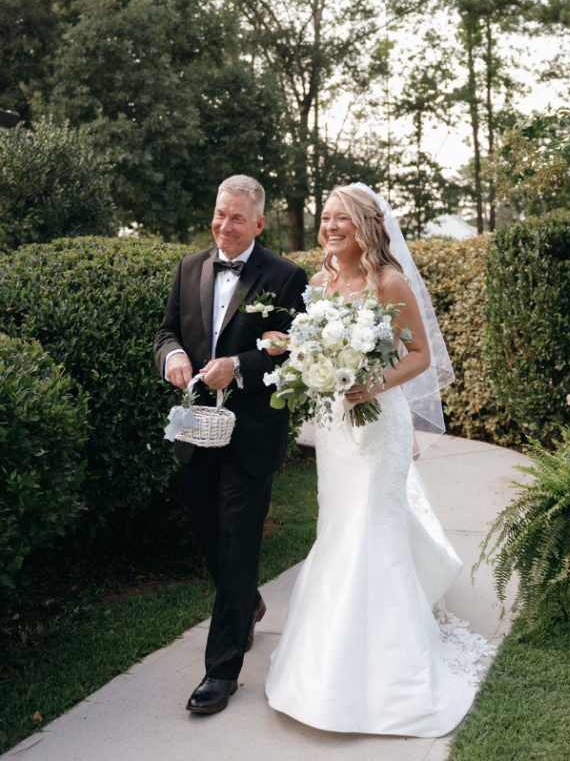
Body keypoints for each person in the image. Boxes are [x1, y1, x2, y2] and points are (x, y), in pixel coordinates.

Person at [261, 183, 492, 737]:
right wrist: (290, 350)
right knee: (339, 528)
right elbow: (316, 348)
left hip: (377, 423)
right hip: (336, 431)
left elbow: (420, 356)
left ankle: (391, 677)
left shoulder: (388, 281)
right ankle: (324, 665)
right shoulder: (319, 283)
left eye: (342, 218)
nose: (331, 226)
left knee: (370, 530)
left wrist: (372, 381)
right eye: (325, 217)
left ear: (366, 223)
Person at [154, 175, 308, 716]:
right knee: (211, 538)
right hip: (196, 432)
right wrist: (171, 356)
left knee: (239, 544)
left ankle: (221, 674)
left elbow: (291, 347)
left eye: (237, 217)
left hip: (251, 437)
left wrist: (239, 366)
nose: (224, 225)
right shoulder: (189, 266)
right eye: (219, 214)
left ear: (259, 223)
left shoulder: (287, 276)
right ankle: (248, 604)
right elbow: (167, 331)